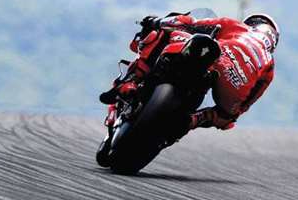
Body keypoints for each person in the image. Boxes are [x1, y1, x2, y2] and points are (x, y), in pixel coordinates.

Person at [99, 11, 279, 132]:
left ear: (252, 24)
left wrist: (158, 21)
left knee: (165, 33)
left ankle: (131, 80)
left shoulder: (237, 26)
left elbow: (188, 23)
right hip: (232, 90)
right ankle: (193, 120)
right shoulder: (269, 63)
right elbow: (251, 99)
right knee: (226, 118)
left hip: (217, 58)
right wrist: (231, 114)